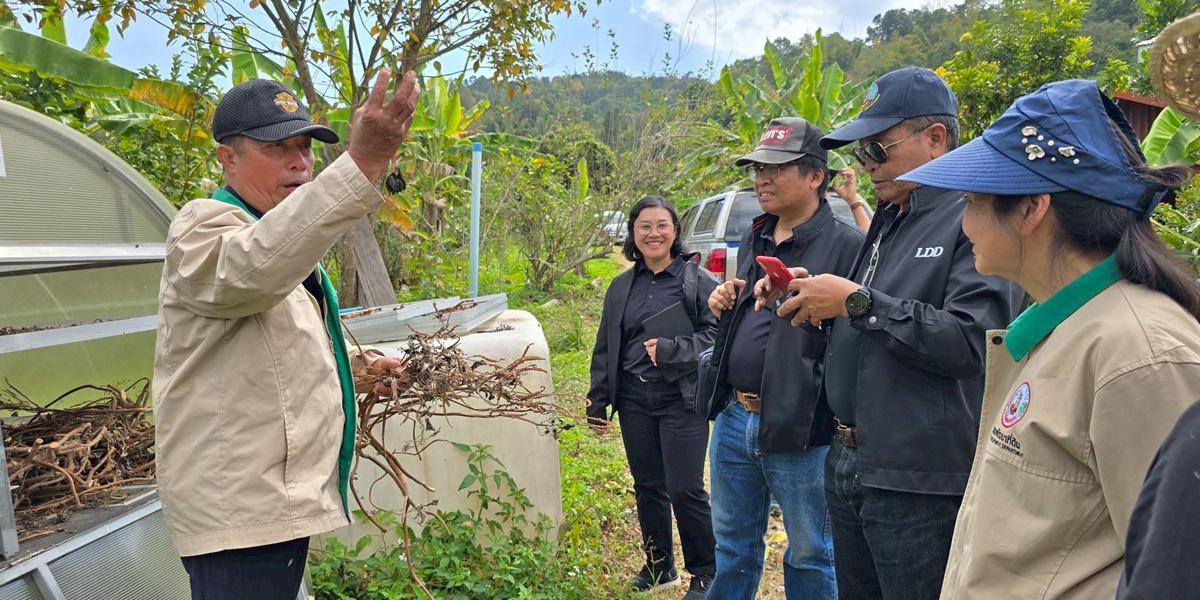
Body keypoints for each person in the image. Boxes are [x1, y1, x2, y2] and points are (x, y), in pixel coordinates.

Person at [895, 78, 1200, 599]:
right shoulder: (1063, 326)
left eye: (972, 200)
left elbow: (1172, 571)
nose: (963, 222)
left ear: (1033, 208)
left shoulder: (1143, 355)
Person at [152, 70, 419, 599]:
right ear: (228, 158)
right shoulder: (204, 227)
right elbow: (247, 273)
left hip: (269, 505)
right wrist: (362, 162)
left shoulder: (273, 237)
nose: (300, 161)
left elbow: (276, 344)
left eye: (305, 147)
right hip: (237, 509)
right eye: (279, 149)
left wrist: (360, 371)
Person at [762, 67, 1024, 599]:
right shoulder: (890, 217)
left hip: (917, 479)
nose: (866, 165)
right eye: (861, 153)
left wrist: (856, 301)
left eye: (878, 150)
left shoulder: (973, 216)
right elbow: (872, 318)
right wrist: (817, 300)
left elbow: (975, 341)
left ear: (936, 138)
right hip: (852, 460)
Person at [702, 117, 864, 599]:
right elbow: (755, 306)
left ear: (817, 176)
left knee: (811, 551)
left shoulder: (848, 245)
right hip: (735, 416)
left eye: (776, 168)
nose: (762, 178)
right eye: (757, 168)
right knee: (731, 547)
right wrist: (726, 297)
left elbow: (860, 336)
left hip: (802, 425)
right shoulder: (757, 234)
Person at [587, 196, 719, 599]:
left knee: (685, 488)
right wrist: (598, 400)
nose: (653, 233)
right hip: (633, 399)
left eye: (661, 225)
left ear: (675, 231)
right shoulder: (622, 285)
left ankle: (706, 572)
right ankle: (660, 565)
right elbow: (606, 345)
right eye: (644, 226)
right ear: (633, 233)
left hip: (680, 399)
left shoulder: (697, 282)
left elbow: (716, 339)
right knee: (648, 484)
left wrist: (673, 351)